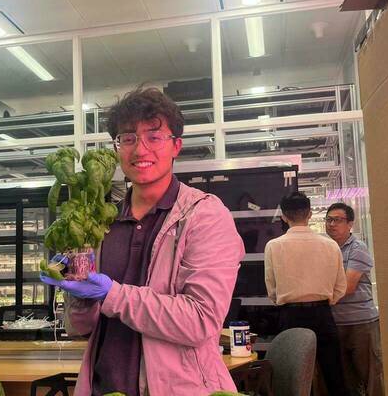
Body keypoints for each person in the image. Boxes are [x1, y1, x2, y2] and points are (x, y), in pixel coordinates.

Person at [40, 87, 245, 395]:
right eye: (128, 138)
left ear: (177, 145)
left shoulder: (204, 216)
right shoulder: (102, 222)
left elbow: (200, 321)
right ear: (117, 147)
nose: (139, 150)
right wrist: (79, 296)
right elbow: (80, 328)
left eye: (154, 136)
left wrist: (112, 294)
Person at [264, 192, 348, 396]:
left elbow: (272, 289)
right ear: (310, 214)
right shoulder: (330, 245)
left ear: (284, 216)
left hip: (290, 316)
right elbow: (340, 287)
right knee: (334, 376)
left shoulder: (274, 246)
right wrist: (325, 301)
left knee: (294, 378)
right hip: (323, 314)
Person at [326, 203, 385, 396]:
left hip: (361, 324)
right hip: (336, 323)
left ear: (350, 224)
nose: (332, 224)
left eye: (338, 220)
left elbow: (348, 286)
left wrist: (320, 297)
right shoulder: (326, 249)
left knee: (371, 378)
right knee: (346, 380)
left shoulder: (358, 248)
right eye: (329, 219)